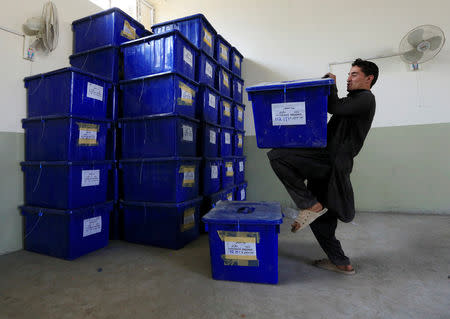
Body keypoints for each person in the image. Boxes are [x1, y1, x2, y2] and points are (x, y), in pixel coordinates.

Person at [267, 58, 379, 275]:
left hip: (331, 161)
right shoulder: (353, 101)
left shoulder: (366, 98)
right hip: (329, 161)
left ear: (369, 78)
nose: (348, 78)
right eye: (348, 74)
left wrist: (331, 87)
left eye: (354, 74)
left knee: (277, 156)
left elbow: (333, 106)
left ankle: (309, 203)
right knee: (322, 220)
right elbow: (330, 109)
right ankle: (341, 262)